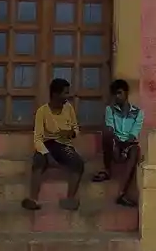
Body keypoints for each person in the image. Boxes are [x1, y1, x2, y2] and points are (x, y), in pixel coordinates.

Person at [22, 77, 84, 212]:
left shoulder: (69, 108)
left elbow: (76, 129)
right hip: (47, 144)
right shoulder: (42, 111)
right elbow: (38, 138)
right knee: (38, 160)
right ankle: (33, 199)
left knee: (78, 162)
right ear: (55, 94)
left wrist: (71, 133)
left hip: (64, 145)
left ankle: (70, 199)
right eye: (65, 93)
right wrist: (48, 156)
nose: (67, 96)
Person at [93, 78, 143, 207]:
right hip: (115, 142)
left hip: (128, 144)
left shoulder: (138, 113)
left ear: (126, 93)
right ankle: (107, 169)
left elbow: (133, 134)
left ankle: (122, 193)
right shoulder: (110, 110)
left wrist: (124, 147)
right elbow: (110, 128)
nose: (117, 96)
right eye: (115, 94)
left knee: (135, 150)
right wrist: (116, 143)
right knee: (107, 134)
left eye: (119, 93)